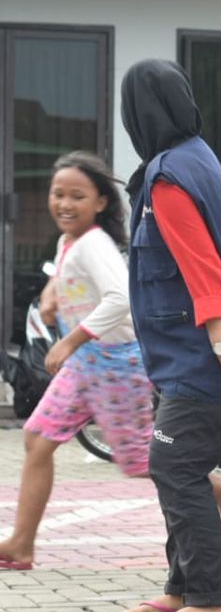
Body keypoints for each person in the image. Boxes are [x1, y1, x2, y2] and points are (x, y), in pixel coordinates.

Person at [115, 59, 221, 612]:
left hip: (202, 351)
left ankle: (211, 599)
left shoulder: (171, 177)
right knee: (179, 461)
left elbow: (204, 269)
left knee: (174, 463)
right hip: (193, 350)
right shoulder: (198, 160)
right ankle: (180, 585)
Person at [0, 152, 155, 572]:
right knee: (37, 438)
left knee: (141, 463)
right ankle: (20, 544)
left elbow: (120, 298)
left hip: (116, 362)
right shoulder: (70, 241)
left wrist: (69, 339)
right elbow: (64, 275)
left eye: (77, 196)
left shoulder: (93, 245)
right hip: (88, 363)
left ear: (101, 202)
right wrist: (51, 298)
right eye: (58, 194)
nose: (64, 204)